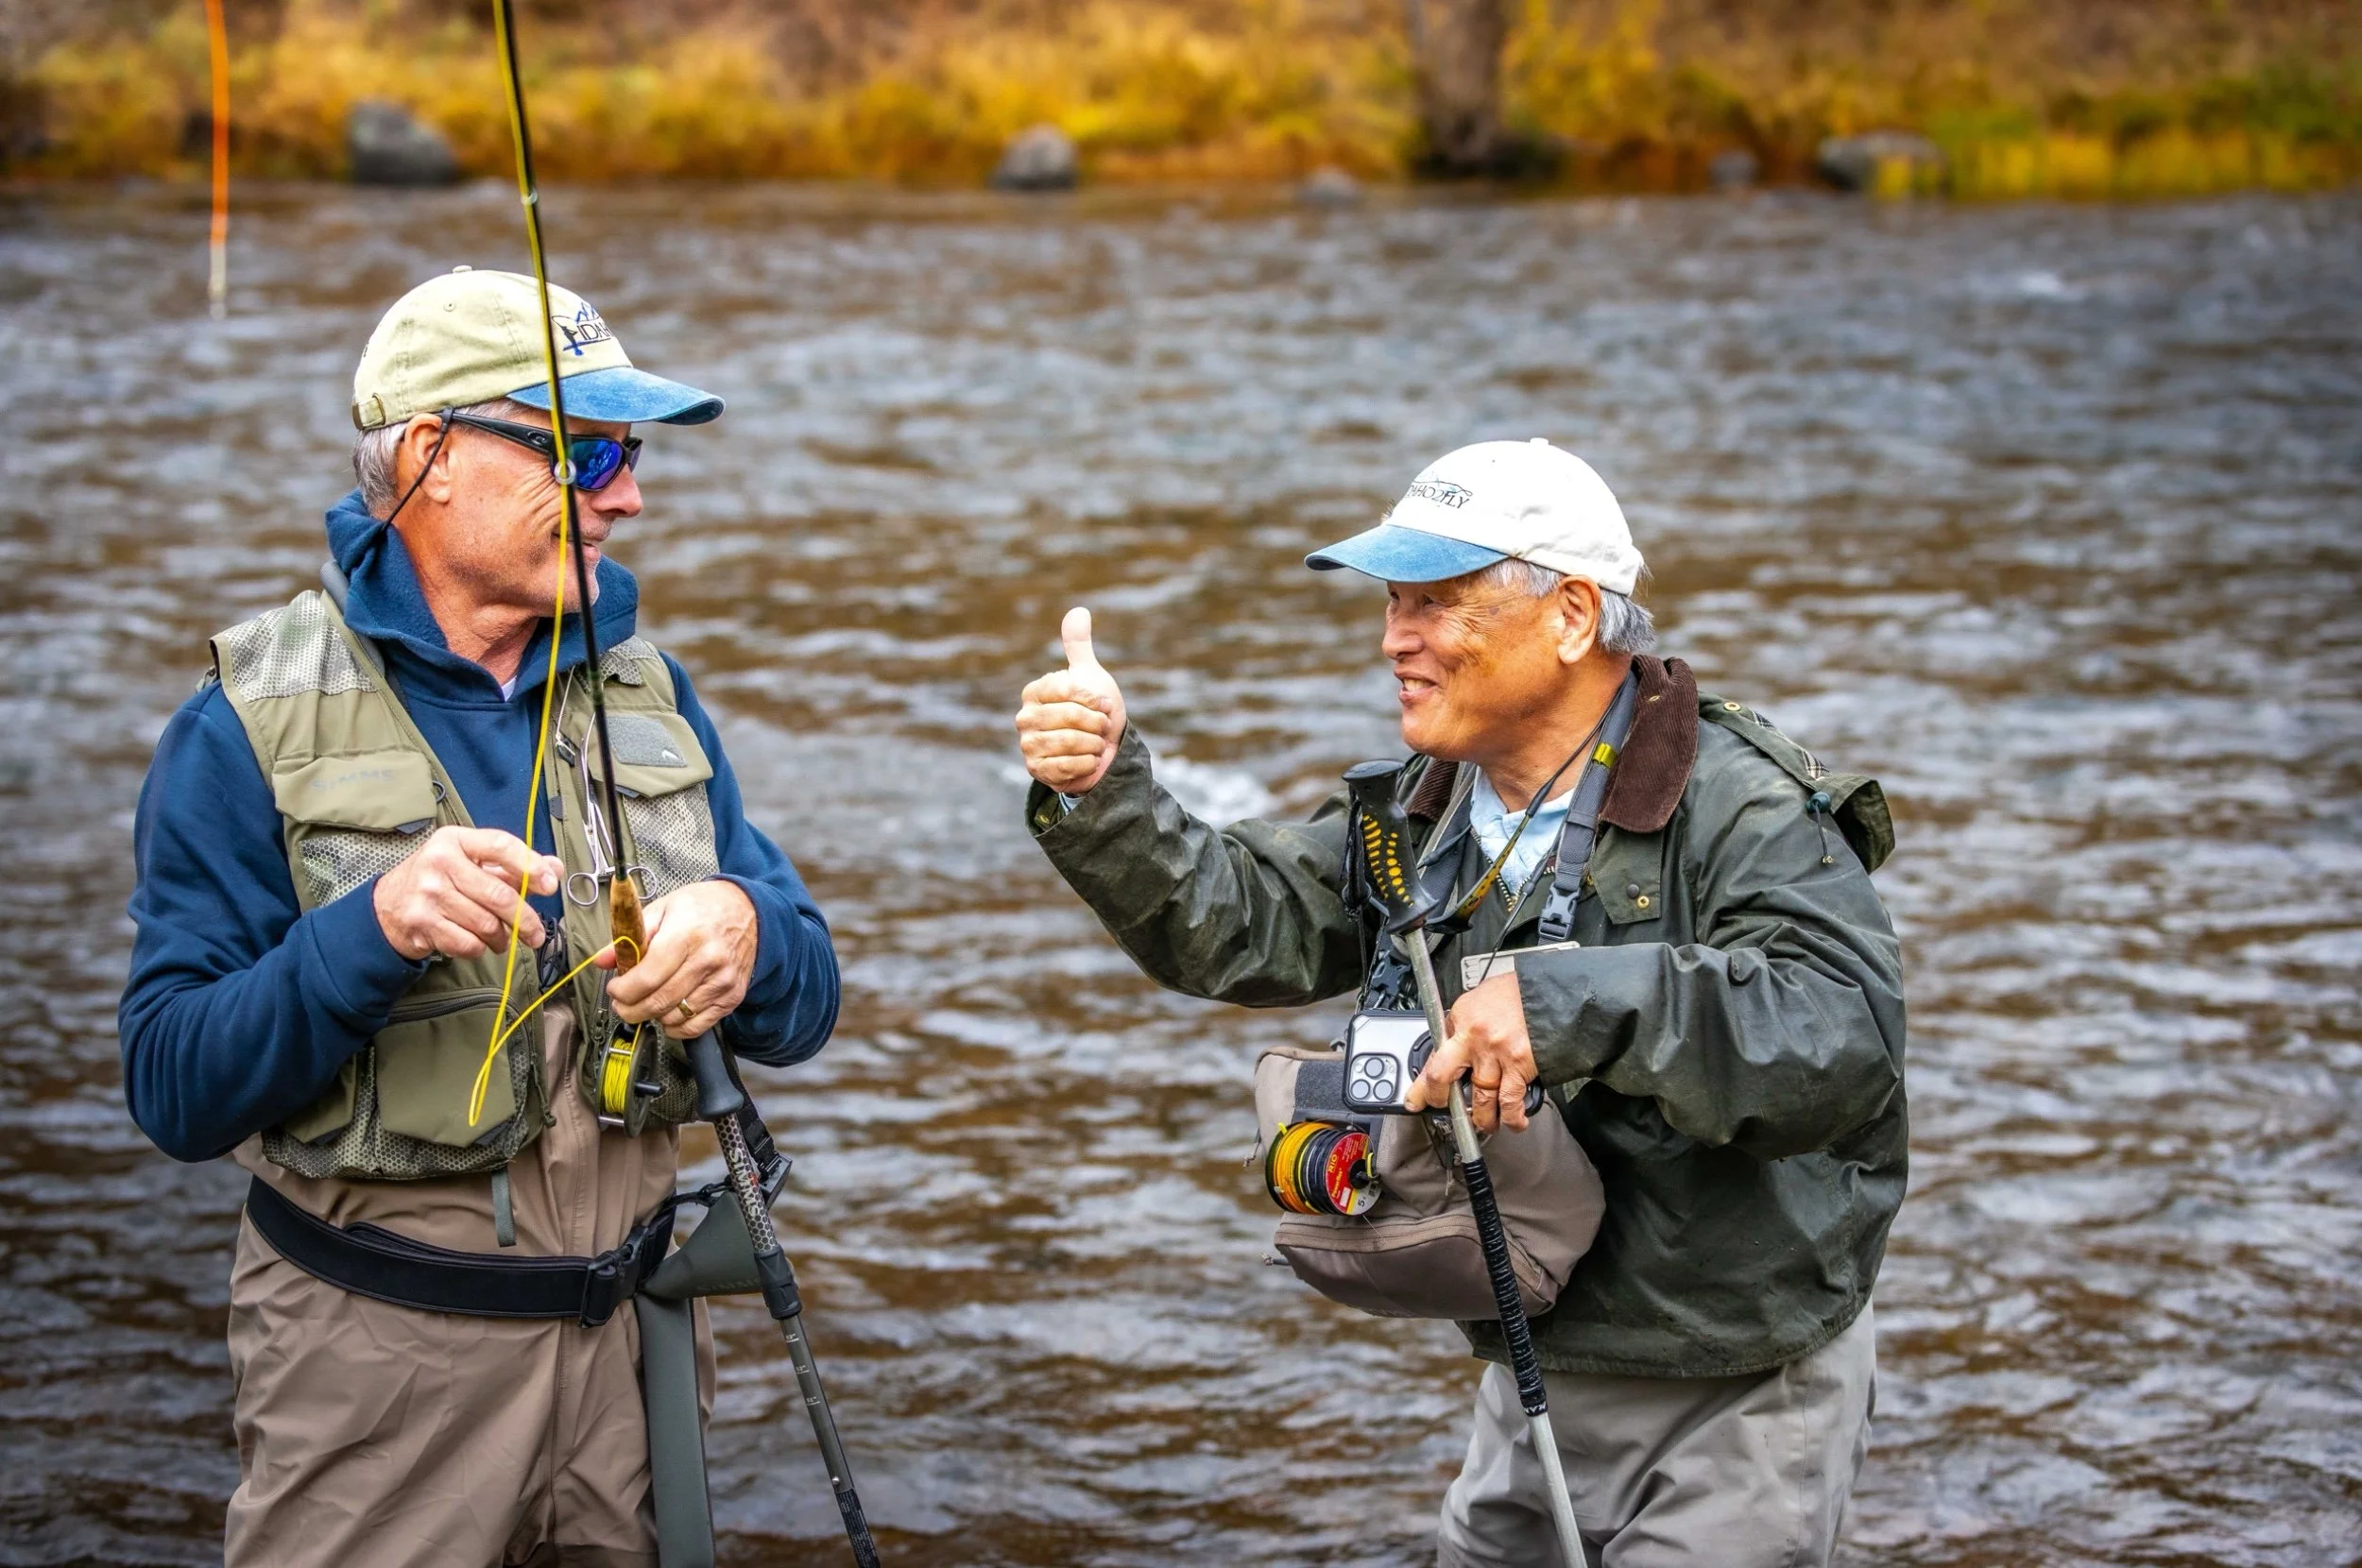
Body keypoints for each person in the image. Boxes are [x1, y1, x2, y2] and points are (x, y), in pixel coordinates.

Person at [1013, 438, 1906, 1568]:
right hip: (1534, 1367)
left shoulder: (1746, 806)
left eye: (1435, 603)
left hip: (1740, 1377)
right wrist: (1105, 790)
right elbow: (1232, 923)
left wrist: (1565, 1004)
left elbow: (1844, 1035)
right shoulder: (1421, 812)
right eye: (1392, 605)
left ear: (1574, 615)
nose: (1394, 640)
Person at [119, 266, 839, 1568]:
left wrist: (748, 930)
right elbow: (173, 1085)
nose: (628, 493)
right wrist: (371, 931)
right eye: (587, 449)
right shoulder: (242, 722)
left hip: (638, 1355)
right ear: (434, 458)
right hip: (375, 1379)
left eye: (629, 453)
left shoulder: (652, 694)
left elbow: (807, 995)